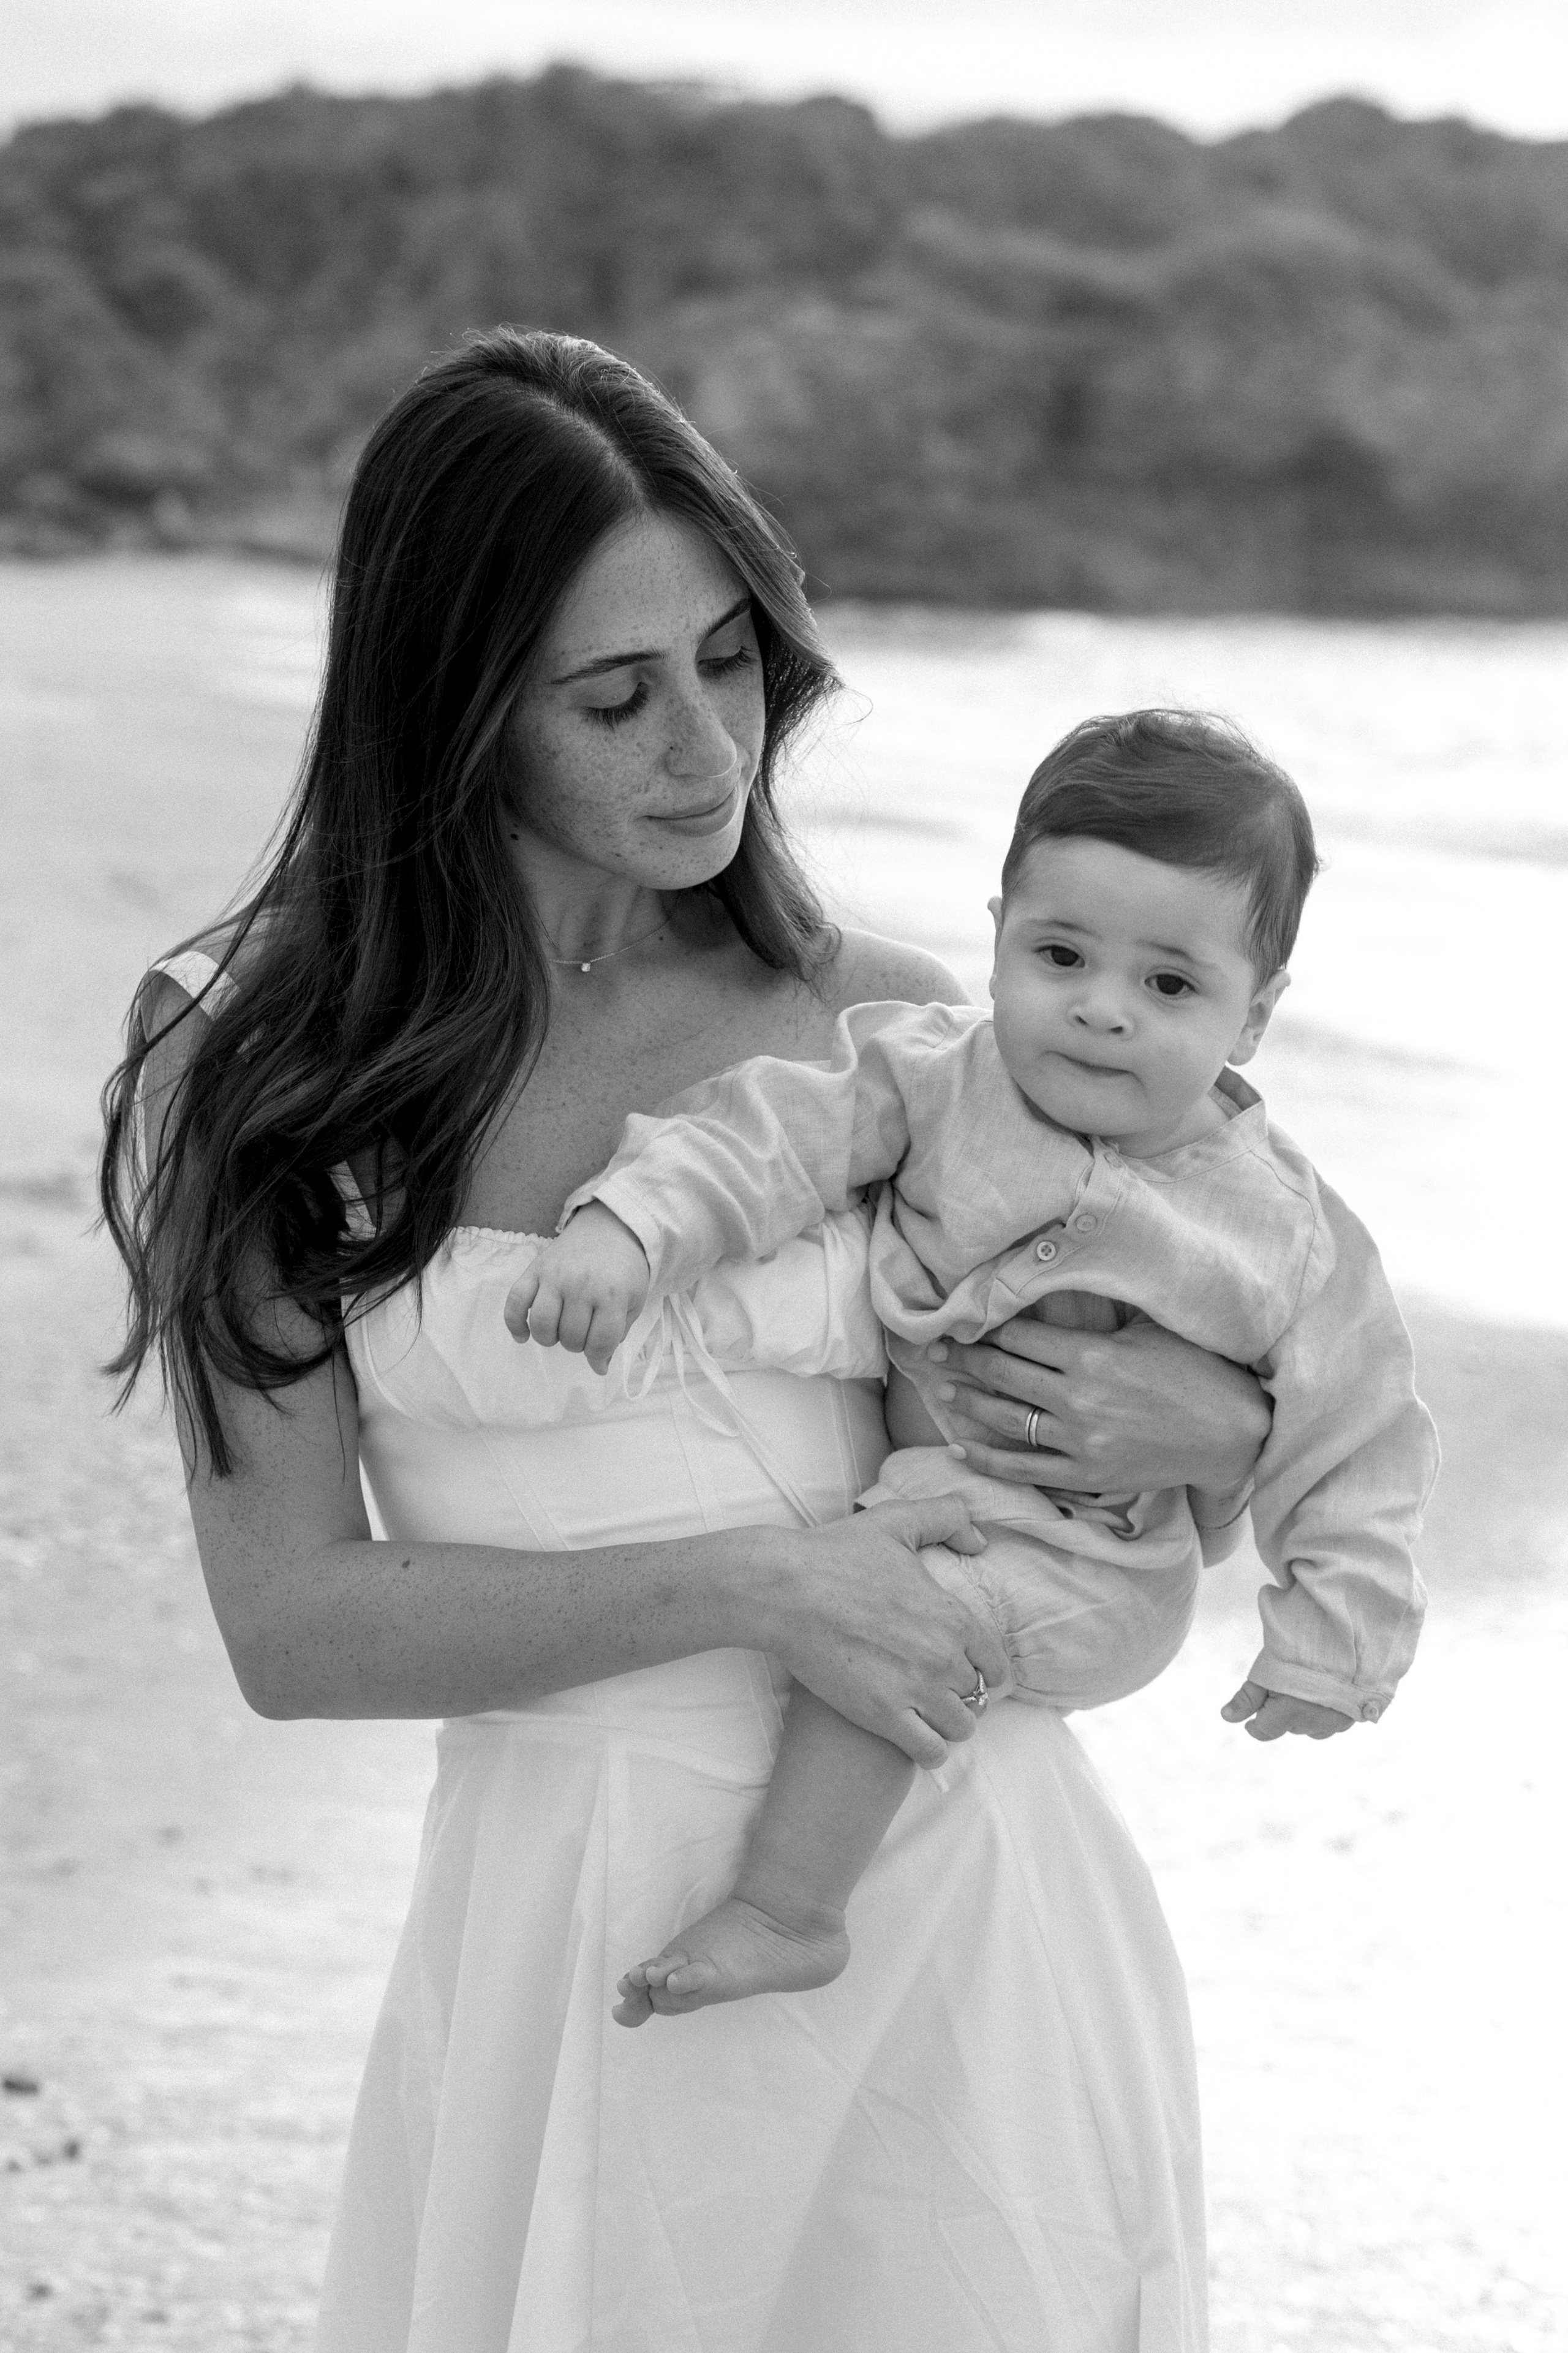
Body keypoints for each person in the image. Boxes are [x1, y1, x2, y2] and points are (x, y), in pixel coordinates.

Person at [102, 327, 1274, 2352]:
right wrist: (759, 1582)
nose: (707, 753)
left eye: (732, 662)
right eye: (615, 695)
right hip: (567, 1924)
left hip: (951, 1903)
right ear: (448, 704)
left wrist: (1204, 1431)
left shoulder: (894, 1037)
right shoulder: (251, 1064)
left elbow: (1127, 1460)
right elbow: (292, 1631)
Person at [513, 709, 1439, 2026]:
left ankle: (788, 1912)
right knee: (884, 1592)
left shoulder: (1280, 1226)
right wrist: (630, 1227)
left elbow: (1357, 1434)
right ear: (997, 928)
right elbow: (766, 1136)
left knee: (906, 1615)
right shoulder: (936, 1074)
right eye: (1059, 953)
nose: (1101, 1011)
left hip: (1094, 1570)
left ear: (1254, 1017)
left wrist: (1335, 1641)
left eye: (1170, 987)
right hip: (930, 1496)